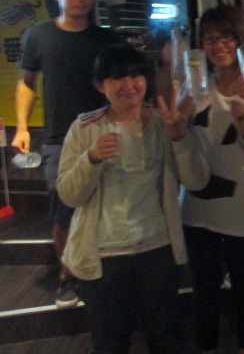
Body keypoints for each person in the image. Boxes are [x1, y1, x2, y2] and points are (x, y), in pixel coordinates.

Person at [55, 44, 209, 353]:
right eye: (116, 77)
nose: (128, 84)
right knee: (110, 341)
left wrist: (180, 137)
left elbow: (197, 181)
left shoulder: (164, 123)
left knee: (164, 336)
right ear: (100, 85)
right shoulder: (84, 128)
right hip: (103, 255)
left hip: (156, 250)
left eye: (136, 74)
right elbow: (69, 196)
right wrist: (91, 159)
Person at [11, 0, 119, 308]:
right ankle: (67, 276)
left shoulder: (106, 39)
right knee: (64, 211)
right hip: (60, 137)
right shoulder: (38, 35)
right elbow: (26, 83)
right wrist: (22, 127)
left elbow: (122, 80)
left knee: (107, 206)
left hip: (103, 132)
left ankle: (104, 271)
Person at [181, 7, 244, 354]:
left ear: (241, 41)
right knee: (204, 289)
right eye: (210, 39)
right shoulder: (195, 88)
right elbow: (179, 138)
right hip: (197, 207)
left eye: (226, 37)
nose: (218, 45)